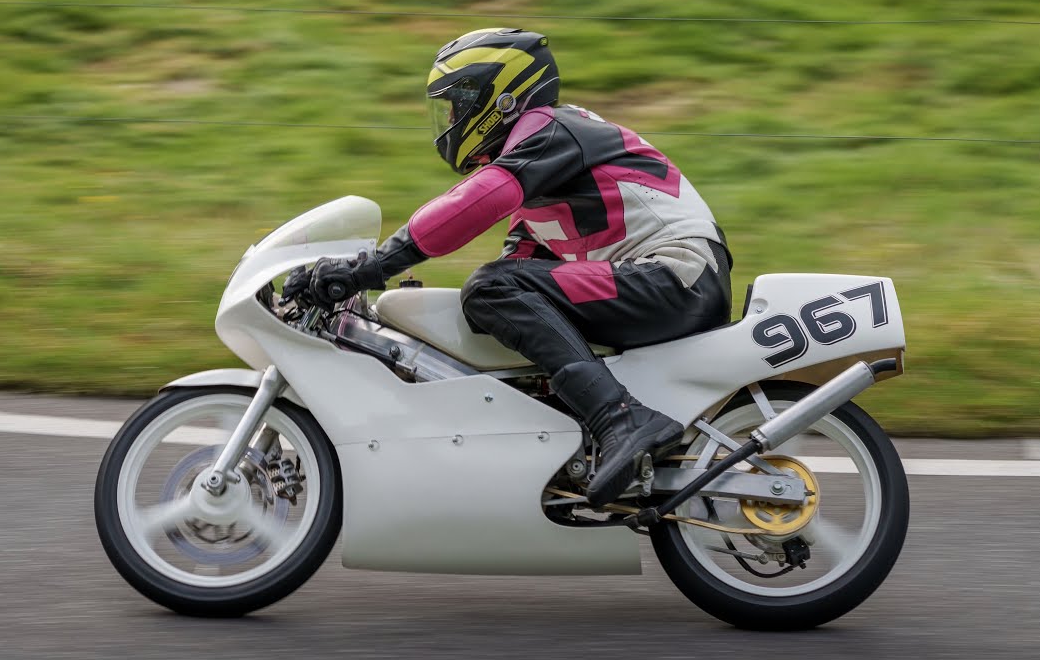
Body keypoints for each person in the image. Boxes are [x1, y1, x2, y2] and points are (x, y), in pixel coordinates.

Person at [295, 28, 733, 507]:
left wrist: (368, 267)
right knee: (497, 305)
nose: (451, 120)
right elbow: (514, 286)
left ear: (500, 98)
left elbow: (470, 207)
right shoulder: (546, 179)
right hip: (662, 282)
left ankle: (622, 418)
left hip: (677, 276)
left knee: (489, 289)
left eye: (458, 104)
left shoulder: (553, 129)